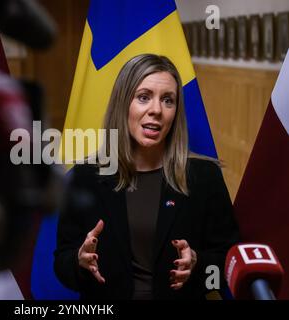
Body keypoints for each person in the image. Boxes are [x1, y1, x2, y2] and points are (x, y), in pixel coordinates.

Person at [54, 54, 240, 300]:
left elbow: (229, 262)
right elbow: (61, 264)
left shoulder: (204, 176)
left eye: (168, 100)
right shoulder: (85, 176)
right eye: (143, 97)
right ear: (123, 104)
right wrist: (80, 261)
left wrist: (198, 264)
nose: (156, 110)